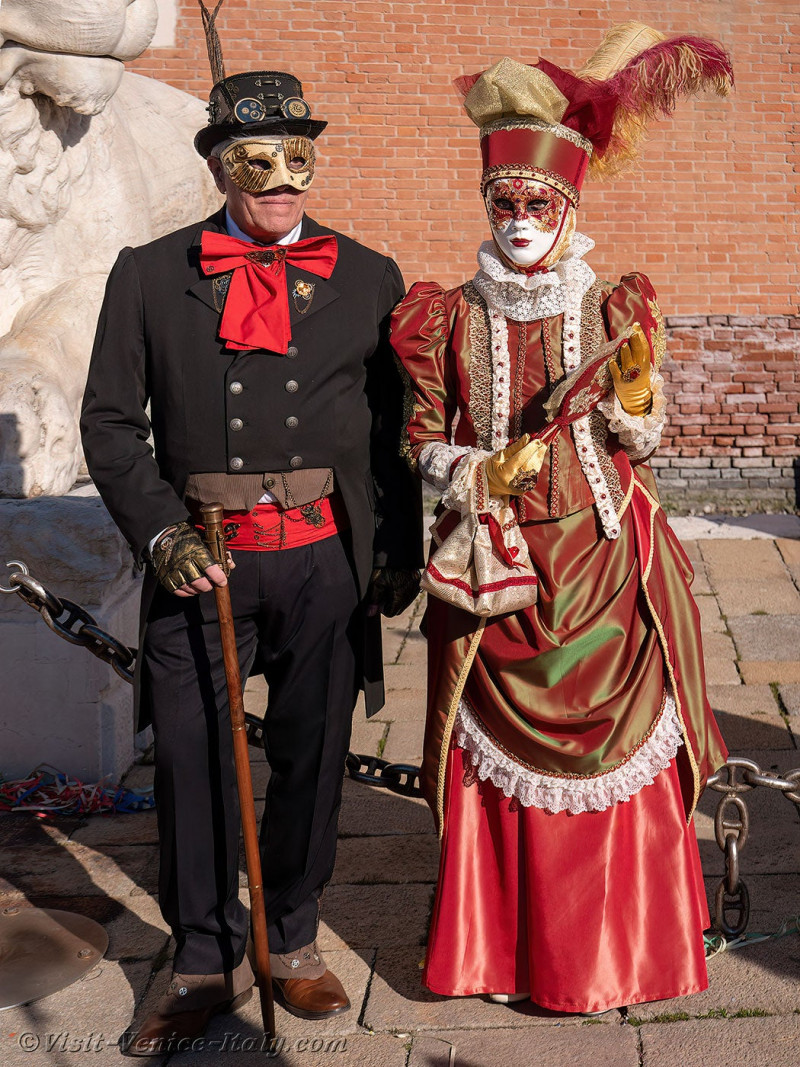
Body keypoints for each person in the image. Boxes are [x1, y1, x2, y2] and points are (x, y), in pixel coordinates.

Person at [80, 9, 422, 1053]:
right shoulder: (147, 272)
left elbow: (391, 428)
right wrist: (156, 534)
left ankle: (291, 936)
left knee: (315, 757)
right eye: (255, 161)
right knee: (191, 761)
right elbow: (107, 421)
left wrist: (393, 551)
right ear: (221, 165)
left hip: (321, 561)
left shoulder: (368, 275)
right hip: (201, 562)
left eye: (294, 160)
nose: (278, 181)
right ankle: (196, 953)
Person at [389, 23, 732, 1014]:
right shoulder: (441, 317)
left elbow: (642, 438)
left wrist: (632, 397)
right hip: (499, 564)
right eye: (504, 200)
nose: (520, 216)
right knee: (493, 762)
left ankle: (621, 951)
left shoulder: (616, 305)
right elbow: (418, 436)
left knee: (620, 755)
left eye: (538, 201)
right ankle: (503, 951)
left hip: (604, 558)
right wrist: (476, 467)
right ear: (486, 203)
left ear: (568, 201)